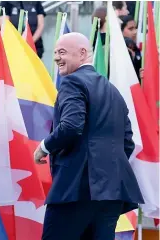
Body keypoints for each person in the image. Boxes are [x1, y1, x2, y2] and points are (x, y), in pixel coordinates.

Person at [34, 32, 144, 239]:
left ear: (83, 53)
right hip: (111, 191)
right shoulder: (113, 91)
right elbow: (127, 142)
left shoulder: (71, 83)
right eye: (55, 52)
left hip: (76, 190)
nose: (56, 57)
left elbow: (71, 126)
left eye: (62, 52)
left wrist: (44, 147)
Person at [119, 15, 142, 82]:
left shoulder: (135, 48)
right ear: (121, 30)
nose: (135, 32)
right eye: (130, 29)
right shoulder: (118, 51)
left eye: (136, 28)